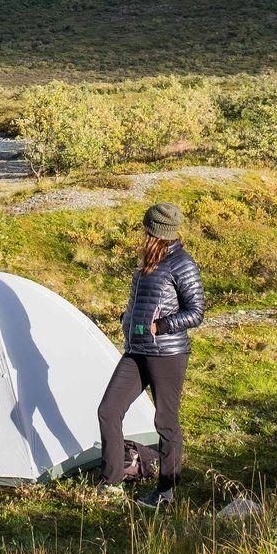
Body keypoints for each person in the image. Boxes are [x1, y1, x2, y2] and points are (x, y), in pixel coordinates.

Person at [96, 201, 205, 508]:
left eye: (145, 228)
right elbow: (143, 300)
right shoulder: (150, 260)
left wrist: (162, 325)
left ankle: (166, 493)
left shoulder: (182, 263)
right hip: (137, 350)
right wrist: (127, 318)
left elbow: (196, 311)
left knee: (166, 422)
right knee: (108, 410)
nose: (142, 233)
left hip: (167, 354)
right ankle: (111, 482)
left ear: (155, 231)